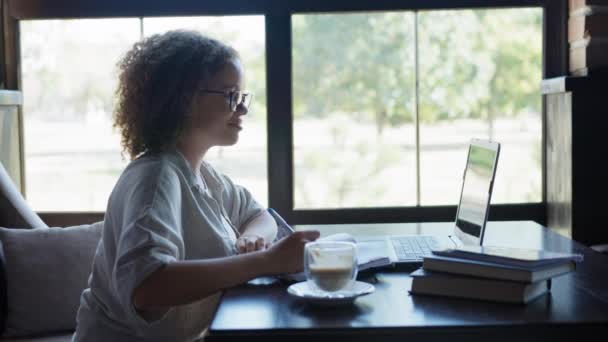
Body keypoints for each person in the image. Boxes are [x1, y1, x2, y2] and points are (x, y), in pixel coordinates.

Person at [72, 30, 320, 342]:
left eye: (242, 97)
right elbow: (147, 287)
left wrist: (252, 239)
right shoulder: (156, 179)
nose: (242, 109)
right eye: (231, 95)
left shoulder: (202, 174)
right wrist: (264, 261)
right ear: (185, 99)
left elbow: (261, 216)